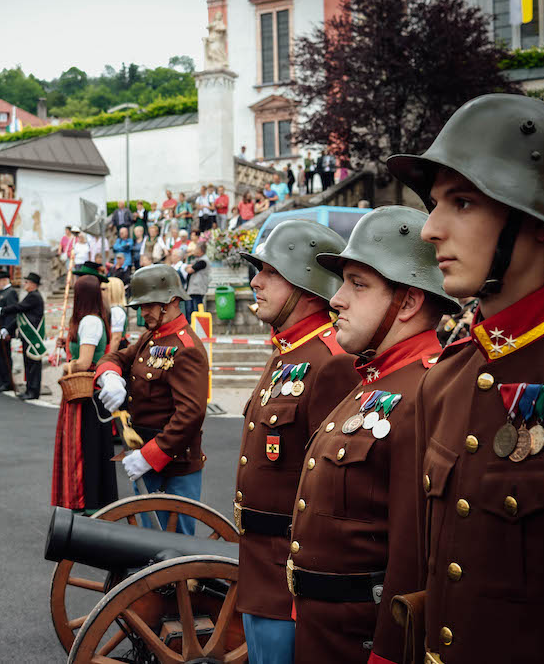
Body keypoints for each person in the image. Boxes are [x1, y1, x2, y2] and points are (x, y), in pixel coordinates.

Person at [387, 93, 544, 663]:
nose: (430, 230)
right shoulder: (447, 376)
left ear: (537, 221)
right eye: (436, 204)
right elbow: (419, 566)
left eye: (461, 203)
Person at [287, 206, 460, 664]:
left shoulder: (424, 390)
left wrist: (388, 653)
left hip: (360, 644)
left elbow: (412, 554)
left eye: (358, 284)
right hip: (324, 631)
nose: (337, 299)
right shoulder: (374, 379)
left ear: (408, 302)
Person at [233, 220, 359, 664]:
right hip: (260, 569)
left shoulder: (330, 363)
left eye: (270, 271)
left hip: (288, 580)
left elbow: (330, 493)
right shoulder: (289, 351)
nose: (255, 281)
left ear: (306, 283)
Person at [96, 264, 208, 534]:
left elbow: (190, 414)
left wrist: (150, 456)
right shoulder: (152, 336)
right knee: (149, 543)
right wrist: (110, 377)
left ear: (171, 301)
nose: (143, 312)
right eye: (141, 306)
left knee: (175, 551)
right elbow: (116, 357)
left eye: (149, 305)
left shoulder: (186, 348)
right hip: (142, 455)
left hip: (173, 464)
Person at [51, 275, 114, 514]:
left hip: (87, 391)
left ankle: (88, 501)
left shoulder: (90, 321)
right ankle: (90, 500)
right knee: (89, 447)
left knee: (85, 448)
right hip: (87, 390)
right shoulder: (91, 320)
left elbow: (85, 361)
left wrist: (68, 366)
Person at [0, 272, 45, 400]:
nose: (24, 284)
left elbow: (19, 307)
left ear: (33, 284)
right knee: (28, 364)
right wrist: (7, 329)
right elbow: (20, 316)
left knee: (33, 365)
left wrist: (2, 310)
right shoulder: (30, 295)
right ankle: (29, 389)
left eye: (27, 282)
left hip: (32, 336)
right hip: (27, 335)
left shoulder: (34, 296)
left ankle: (33, 391)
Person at [184, 242, 211, 321]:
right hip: (193, 289)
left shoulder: (203, 261)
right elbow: (187, 268)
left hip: (198, 289)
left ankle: (198, 325)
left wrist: (189, 267)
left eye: (196, 249)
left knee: (197, 309)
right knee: (190, 310)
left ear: (200, 250)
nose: (194, 250)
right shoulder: (198, 260)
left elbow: (189, 270)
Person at [102, 277, 128, 350]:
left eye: (104, 289)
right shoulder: (114, 309)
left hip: (114, 349)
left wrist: (109, 357)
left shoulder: (116, 311)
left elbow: (116, 338)